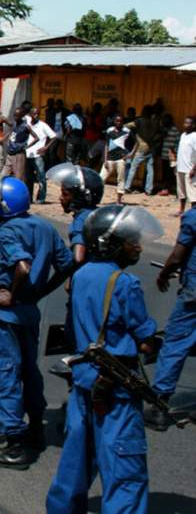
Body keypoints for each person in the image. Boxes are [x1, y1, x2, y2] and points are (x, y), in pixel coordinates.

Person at [45, 205, 161, 514]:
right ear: (109, 243)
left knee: (75, 463)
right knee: (125, 471)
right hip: (117, 390)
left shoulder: (81, 275)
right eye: (131, 240)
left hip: (84, 382)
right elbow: (145, 340)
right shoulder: (124, 283)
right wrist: (151, 344)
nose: (136, 246)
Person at [0, 176, 74, 470]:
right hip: (30, 311)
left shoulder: (9, 230)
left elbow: (22, 265)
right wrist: (39, 292)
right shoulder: (45, 226)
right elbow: (67, 265)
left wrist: (12, 295)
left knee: (4, 372)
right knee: (29, 371)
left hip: (8, 314)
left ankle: (14, 445)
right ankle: (35, 427)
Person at [146, 203, 196, 431]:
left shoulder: (192, 218)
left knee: (175, 344)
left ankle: (159, 403)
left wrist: (164, 274)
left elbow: (177, 255)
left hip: (193, 294)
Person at [47, 163, 104, 266]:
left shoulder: (81, 220)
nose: (60, 198)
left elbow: (78, 258)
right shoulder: (97, 214)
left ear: (80, 197)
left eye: (65, 194)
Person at [25, 107, 55, 204]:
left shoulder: (43, 125)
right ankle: (29, 198)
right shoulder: (27, 124)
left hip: (38, 155)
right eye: (34, 114)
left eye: (37, 114)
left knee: (41, 177)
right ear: (30, 115)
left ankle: (41, 198)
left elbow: (54, 137)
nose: (36, 116)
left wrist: (46, 148)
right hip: (27, 154)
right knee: (28, 178)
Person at [100, 115, 131, 205]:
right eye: (117, 121)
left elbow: (135, 142)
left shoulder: (127, 132)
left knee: (121, 179)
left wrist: (130, 155)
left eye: (120, 121)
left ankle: (119, 201)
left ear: (123, 122)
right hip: (109, 158)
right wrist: (105, 159)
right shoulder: (109, 131)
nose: (119, 123)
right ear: (114, 121)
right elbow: (106, 145)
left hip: (121, 159)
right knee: (101, 178)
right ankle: (97, 197)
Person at [174, 117, 196, 214]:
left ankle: (193, 213)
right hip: (180, 168)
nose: (185, 125)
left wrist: (194, 169)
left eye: (188, 123)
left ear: (193, 125)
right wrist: (176, 165)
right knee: (181, 192)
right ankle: (181, 210)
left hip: (189, 169)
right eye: (184, 122)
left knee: (192, 194)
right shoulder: (183, 135)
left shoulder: (195, 136)